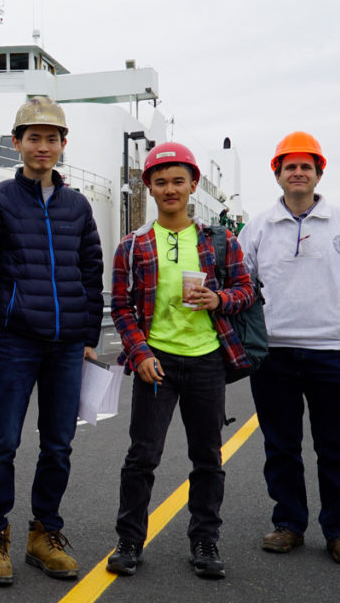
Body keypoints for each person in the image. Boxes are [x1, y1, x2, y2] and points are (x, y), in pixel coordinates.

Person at [0, 96, 104, 586]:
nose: (43, 146)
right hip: (14, 342)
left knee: (59, 445)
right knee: (3, 442)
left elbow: (91, 274)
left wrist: (88, 335)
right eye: (33, 137)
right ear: (17, 142)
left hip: (66, 346)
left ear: (63, 144)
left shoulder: (77, 206)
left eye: (52, 138)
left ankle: (45, 532)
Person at [106, 142, 255, 580]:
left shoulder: (219, 241)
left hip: (208, 360)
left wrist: (218, 298)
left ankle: (205, 540)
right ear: (149, 188)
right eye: (160, 182)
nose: (170, 189)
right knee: (142, 457)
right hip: (156, 362)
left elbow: (247, 291)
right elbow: (121, 307)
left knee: (208, 457)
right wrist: (140, 352)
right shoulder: (133, 245)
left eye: (178, 181)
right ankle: (130, 540)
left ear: (193, 185)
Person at [237, 131, 340, 566]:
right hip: (273, 354)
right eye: (290, 166)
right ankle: (289, 524)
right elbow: (239, 284)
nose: (298, 172)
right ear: (277, 174)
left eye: (306, 166)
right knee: (281, 447)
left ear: (319, 173)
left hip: (333, 352)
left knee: (335, 449)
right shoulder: (258, 227)